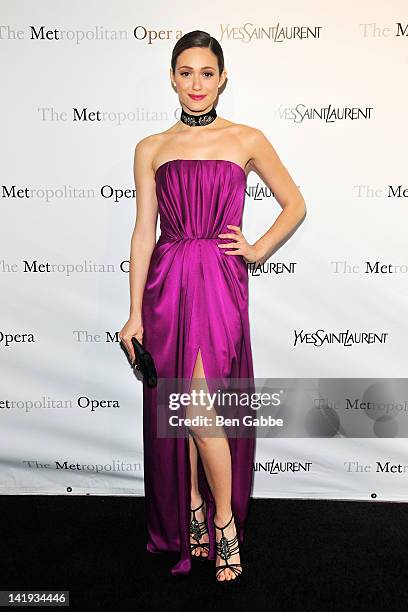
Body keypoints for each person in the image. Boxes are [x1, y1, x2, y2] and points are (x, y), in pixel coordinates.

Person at [119, 30, 306, 584]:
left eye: (206, 73)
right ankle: (192, 512)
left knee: (202, 410)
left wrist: (257, 249)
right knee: (184, 411)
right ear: (172, 78)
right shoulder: (150, 148)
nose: (196, 84)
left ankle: (223, 522)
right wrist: (134, 314)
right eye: (185, 72)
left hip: (221, 280)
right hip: (167, 281)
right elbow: (142, 232)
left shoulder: (247, 138)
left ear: (222, 77)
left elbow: (295, 204)